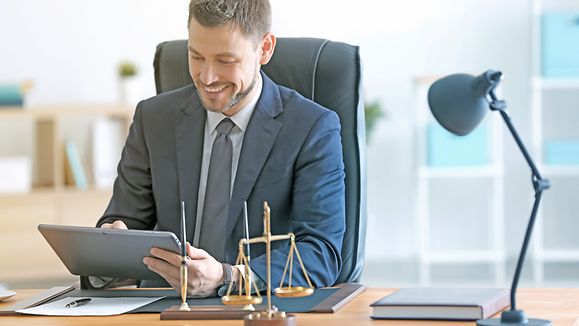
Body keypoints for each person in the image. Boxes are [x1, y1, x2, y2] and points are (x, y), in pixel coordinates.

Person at [92, 0, 346, 297]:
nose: (207, 77)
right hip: (165, 307)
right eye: (196, 57)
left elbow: (320, 252)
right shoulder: (153, 119)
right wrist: (108, 251)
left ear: (264, 49)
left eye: (225, 61)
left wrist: (229, 277)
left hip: (256, 308)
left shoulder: (312, 127)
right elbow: (125, 224)